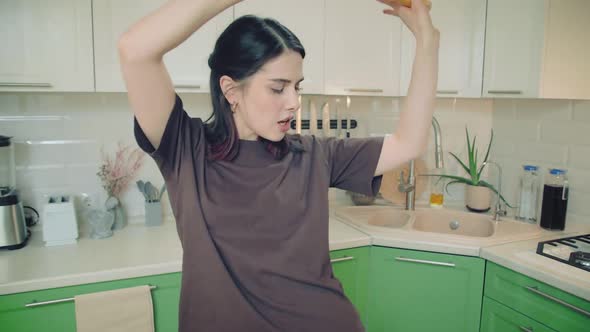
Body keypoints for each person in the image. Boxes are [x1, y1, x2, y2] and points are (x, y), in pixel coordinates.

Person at [118, 0, 439, 330]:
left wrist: (428, 41)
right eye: (278, 87)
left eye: (297, 86)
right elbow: (135, 49)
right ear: (231, 90)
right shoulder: (185, 148)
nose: (294, 103)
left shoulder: (313, 155)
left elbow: (409, 143)